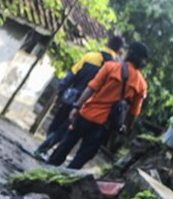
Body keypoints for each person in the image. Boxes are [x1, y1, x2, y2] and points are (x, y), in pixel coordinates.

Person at [46, 41, 149, 170]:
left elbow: (91, 88)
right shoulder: (141, 85)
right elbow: (133, 112)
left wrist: (76, 107)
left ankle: (45, 172)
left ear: (130, 54)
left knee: (65, 146)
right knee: (83, 156)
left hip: (86, 114)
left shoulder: (110, 67)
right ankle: (63, 180)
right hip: (103, 126)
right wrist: (126, 128)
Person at [33, 35, 125, 160]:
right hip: (86, 104)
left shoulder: (90, 56)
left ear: (107, 43)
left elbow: (71, 75)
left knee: (58, 124)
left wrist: (61, 92)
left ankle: (44, 149)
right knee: (66, 129)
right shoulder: (114, 68)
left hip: (71, 97)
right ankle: (43, 150)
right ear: (120, 51)